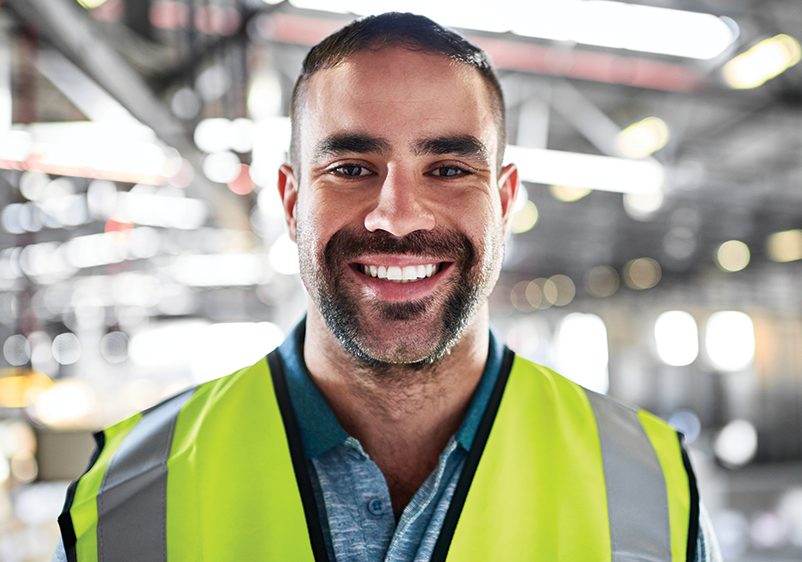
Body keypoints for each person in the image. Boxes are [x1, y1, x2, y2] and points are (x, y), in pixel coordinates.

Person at [56, 12, 721, 562]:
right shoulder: (129, 496)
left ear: (504, 198)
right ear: (290, 203)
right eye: (351, 166)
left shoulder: (649, 487)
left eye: (449, 168)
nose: (397, 216)